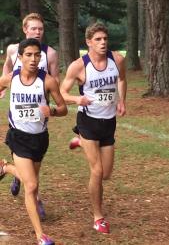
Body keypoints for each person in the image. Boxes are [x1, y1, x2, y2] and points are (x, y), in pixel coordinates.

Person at [60, 22, 127, 234]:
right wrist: (76, 98)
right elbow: (61, 93)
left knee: (106, 174)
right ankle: (98, 217)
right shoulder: (79, 66)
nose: (103, 43)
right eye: (98, 39)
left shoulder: (117, 60)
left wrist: (121, 100)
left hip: (108, 123)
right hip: (88, 122)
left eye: (105, 39)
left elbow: (122, 79)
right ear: (88, 42)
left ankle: (79, 142)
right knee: (96, 171)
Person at [0, 38, 67, 245]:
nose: (33, 59)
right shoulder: (10, 79)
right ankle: (41, 236)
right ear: (20, 57)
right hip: (18, 136)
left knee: (32, 184)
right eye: (28, 55)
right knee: (31, 185)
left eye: (37, 55)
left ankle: (5, 168)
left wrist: (52, 111)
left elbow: (63, 108)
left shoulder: (47, 81)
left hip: (39, 139)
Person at [0, 13, 59, 218]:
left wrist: (49, 105)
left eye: (41, 29)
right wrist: (4, 86)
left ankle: (12, 171)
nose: (37, 32)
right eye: (33, 28)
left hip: (39, 113)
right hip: (18, 111)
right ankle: (36, 199)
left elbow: (54, 79)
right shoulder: (14, 50)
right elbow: (7, 67)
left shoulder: (50, 53)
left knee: (35, 160)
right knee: (30, 174)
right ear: (25, 29)